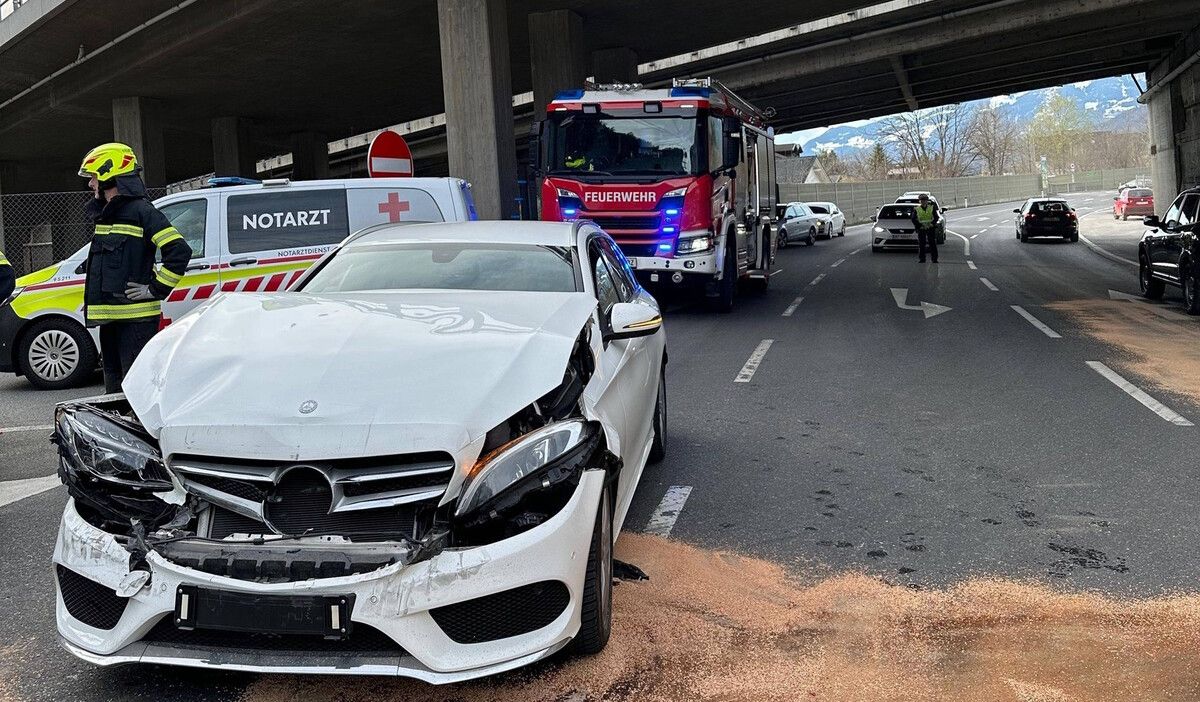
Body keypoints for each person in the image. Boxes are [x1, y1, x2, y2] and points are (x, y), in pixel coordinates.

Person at [78, 143, 191, 392]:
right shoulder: (106, 215)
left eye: (94, 177)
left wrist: (155, 289)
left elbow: (179, 251)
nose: (91, 184)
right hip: (111, 320)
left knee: (136, 390)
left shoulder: (141, 211)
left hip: (136, 323)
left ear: (109, 173)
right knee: (114, 391)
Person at [911, 193, 941, 263]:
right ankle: (922, 259)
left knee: (932, 243)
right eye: (921, 200)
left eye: (924, 200)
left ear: (927, 201)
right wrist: (919, 226)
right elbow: (913, 219)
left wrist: (932, 224)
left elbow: (936, 217)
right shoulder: (917, 209)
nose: (923, 201)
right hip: (921, 229)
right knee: (922, 244)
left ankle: (934, 259)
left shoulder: (931, 208)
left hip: (930, 228)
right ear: (919, 201)